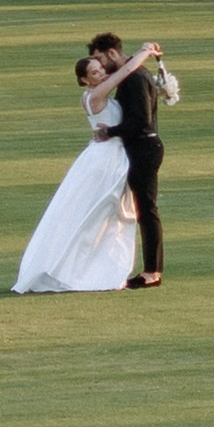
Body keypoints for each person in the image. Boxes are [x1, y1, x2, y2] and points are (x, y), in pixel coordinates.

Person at [12, 46, 158, 293]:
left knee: (103, 214)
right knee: (98, 212)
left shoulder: (96, 95)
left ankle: (96, 264)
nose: (100, 74)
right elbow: (128, 69)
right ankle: (82, 269)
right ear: (84, 80)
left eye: (100, 70)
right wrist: (146, 51)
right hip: (106, 159)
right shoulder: (95, 96)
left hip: (111, 155)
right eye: (94, 72)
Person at [88, 32, 166, 289]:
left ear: (112, 53)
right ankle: (148, 269)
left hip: (144, 148)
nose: (100, 66)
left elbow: (139, 121)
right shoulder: (130, 75)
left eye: (100, 58)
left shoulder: (133, 79)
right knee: (142, 209)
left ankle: (152, 271)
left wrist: (109, 132)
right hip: (140, 147)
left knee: (147, 209)